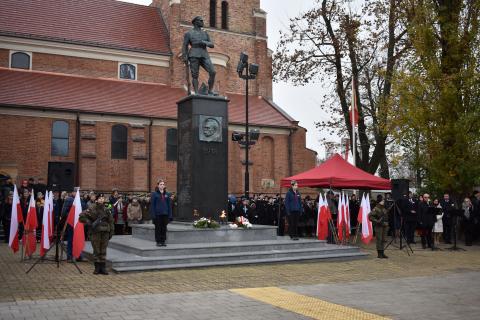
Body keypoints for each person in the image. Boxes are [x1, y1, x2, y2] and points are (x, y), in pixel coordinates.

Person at [182, 16, 216, 95]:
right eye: (200, 21)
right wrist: (185, 56)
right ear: (195, 22)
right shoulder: (188, 33)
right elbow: (185, 45)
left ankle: (210, 90)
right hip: (194, 54)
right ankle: (196, 92)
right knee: (195, 75)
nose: (202, 22)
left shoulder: (205, 33)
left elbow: (211, 45)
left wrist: (204, 42)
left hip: (204, 54)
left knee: (213, 72)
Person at [80, 194, 114, 275]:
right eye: (100, 198)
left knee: (103, 250)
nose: (102, 200)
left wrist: (111, 232)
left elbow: (111, 221)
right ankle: (97, 268)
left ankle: (103, 267)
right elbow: (81, 217)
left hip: (105, 232)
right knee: (96, 250)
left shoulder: (107, 209)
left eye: (103, 198)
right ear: (97, 200)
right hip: (95, 232)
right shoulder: (92, 208)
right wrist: (89, 222)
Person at [150, 179, 172, 246]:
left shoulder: (167, 194)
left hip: (165, 214)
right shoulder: (154, 194)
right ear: (158, 185)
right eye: (160, 184)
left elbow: (169, 205)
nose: (162, 186)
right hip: (157, 214)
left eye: (163, 184)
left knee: (164, 228)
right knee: (158, 228)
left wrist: (170, 215)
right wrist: (153, 215)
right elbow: (152, 205)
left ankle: (163, 241)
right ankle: (158, 241)